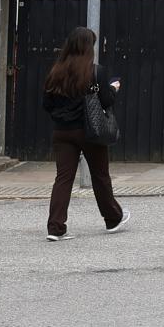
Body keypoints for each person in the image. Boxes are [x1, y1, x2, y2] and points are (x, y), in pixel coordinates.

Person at [41, 26, 128, 241]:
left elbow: (47, 104)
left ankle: (56, 228)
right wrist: (114, 88)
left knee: (63, 179)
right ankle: (112, 218)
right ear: (89, 48)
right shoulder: (95, 71)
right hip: (90, 132)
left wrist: (62, 116)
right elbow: (106, 101)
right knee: (100, 176)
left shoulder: (55, 72)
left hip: (62, 132)